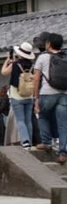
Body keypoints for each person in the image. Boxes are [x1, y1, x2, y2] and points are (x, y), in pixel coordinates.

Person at [34, 33, 67, 163]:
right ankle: (63, 153)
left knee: (43, 115)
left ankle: (47, 142)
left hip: (47, 93)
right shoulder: (65, 57)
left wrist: (36, 99)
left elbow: (36, 79)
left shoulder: (43, 57)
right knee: (63, 124)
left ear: (48, 44)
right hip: (64, 93)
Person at [1, 41, 35, 150]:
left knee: (20, 120)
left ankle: (25, 142)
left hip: (16, 95)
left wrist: (7, 61)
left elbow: (3, 72)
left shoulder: (15, 64)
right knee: (28, 120)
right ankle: (29, 140)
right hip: (29, 96)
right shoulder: (32, 65)